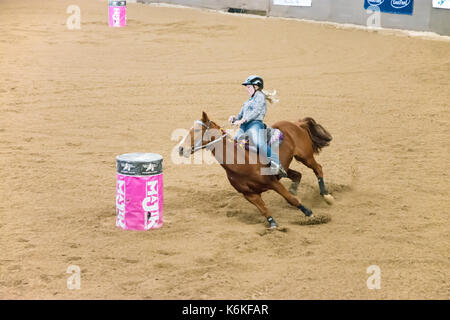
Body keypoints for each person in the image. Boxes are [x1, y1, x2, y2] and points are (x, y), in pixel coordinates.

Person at [229, 75, 287, 177]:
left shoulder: (260, 96)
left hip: (255, 124)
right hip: (244, 126)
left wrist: (243, 120)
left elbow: (257, 111)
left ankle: (277, 165)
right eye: (246, 87)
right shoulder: (247, 102)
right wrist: (234, 119)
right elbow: (239, 116)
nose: (247, 89)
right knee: (236, 141)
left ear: (256, 87)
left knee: (259, 143)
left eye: (249, 87)